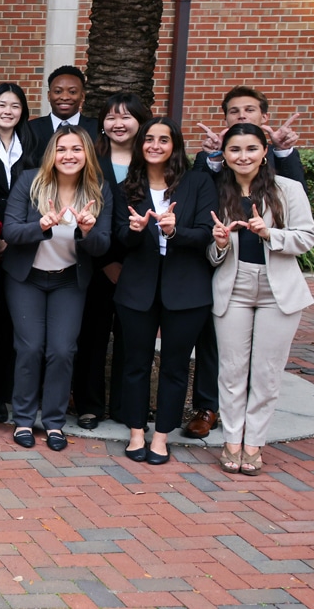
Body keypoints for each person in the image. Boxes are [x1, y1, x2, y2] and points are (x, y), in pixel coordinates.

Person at [187, 86, 304, 439]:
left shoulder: (280, 169)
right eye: (234, 111)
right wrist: (210, 158)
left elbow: (297, 205)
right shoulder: (217, 165)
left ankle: (251, 432)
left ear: (263, 118)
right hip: (223, 268)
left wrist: (284, 150)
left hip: (272, 276)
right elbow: (198, 197)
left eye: (249, 110)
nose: (241, 116)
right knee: (215, 346)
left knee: (263, 357)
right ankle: (208, 407)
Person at [207, 124, 314, 476]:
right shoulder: (216, 191)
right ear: (224, 154)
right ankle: (231, 441)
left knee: (267, 373)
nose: (243, 156)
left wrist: (270, 234)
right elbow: (208, 252)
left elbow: (307, 238)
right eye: (235, 150)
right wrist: (220, 244)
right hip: (233, 287)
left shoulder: (288, 189)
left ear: (264, 151)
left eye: (251, 149)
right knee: (232, 371)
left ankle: (253, 444)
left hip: (278, 290)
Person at [0, 127, 112, 452]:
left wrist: (88, 231)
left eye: (77, 149)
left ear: (86, 154)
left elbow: (103, 245)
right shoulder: (30, 182)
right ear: (52, 153)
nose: (69, 155)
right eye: (62, 149)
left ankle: (53, 423)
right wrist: (41, 225)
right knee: (30, 348)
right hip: (28, 279)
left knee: (62, 351)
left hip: (68, 281)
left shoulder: (98, 188)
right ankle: (23, 419)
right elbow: (10, 230)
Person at [114, 118, 215, 465]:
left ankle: (161, 437)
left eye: (164, 140)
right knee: (135, 363)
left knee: (174, 366)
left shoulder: (198, 182)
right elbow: (118, 239)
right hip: (137, 288)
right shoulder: (127, 186)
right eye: (149, 139)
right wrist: (137, 230)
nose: (155, 145)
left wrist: (174, 232)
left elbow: (205, 233)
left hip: (187, 289)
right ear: (140, 144)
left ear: (175, 146)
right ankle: (136, 433)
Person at [73, 91, 147, 430]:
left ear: (140, 121)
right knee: (92, 337)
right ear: (101, 123)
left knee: (132, 339)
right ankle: (89, 404)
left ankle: (124, 405)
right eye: (111, 117)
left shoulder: (152, 158)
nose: (119, 123)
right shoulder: (90, 159)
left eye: (126, 116)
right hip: (95, 263)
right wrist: (106, 263)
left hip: (141, 264)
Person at [0, 83, 38, 423]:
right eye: (1, 104)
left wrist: (12, 237)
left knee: (8, 325)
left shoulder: (32, 144)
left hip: (19, 244)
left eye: (15, 106)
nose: (8, 111)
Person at [27, 66, 100, 158]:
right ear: (49, 96)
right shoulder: (30, 129)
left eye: (72, 92)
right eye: (58, 92)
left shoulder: (97, 129)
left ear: (82, 96)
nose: (65, 97)